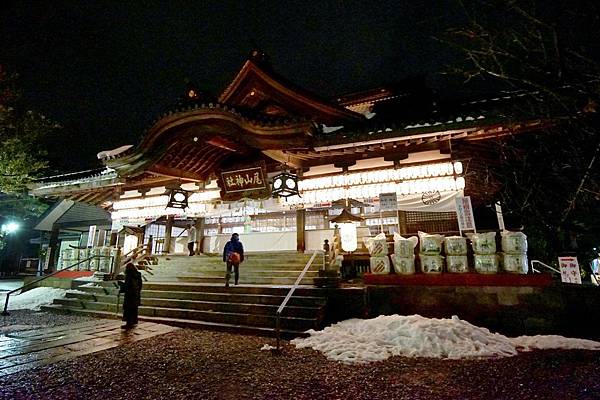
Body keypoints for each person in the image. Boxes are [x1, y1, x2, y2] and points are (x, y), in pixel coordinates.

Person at [118, 263, 142, 329]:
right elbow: (140, 285)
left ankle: (129, 323)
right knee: (134, 309)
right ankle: (133, 321)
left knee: (128, 309)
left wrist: (121, 285)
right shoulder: (138, 275)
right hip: (136, 295)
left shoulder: (129, 275)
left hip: (129, 296)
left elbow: (127, 286)